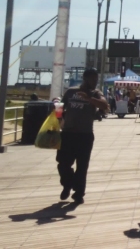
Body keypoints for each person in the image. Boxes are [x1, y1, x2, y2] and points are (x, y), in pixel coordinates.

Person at [57, 69, 109, 204]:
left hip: (85, 135)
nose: (95, 82)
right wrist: (57, 119)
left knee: (82, 166)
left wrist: (89, 99)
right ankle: (67, 184)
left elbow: (104, 105)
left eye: (96, 79)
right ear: (85, 79)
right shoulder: (70, 92)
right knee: (63, 164)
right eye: (93, 79)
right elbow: (60, 107)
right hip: (68, 134)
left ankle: (79, 194)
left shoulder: (95, 93)